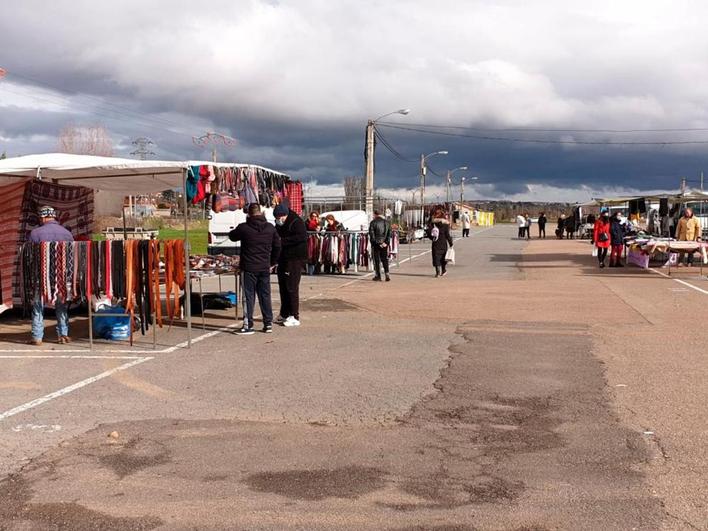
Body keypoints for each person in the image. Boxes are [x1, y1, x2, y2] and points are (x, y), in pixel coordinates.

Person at [229, 203, 281, 335]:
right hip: (264, 266)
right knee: (265, 295)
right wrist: (272, 262)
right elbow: (277, 246)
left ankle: (248, 325)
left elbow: (232, 236)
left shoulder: (244, 227)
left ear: (249, 214)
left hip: (249, 267)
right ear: (261, 212)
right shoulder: (270, 228)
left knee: (248, 296)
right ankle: (268, 323)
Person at [27, 205, 74, 346]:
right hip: (61, 276)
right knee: (61, 306)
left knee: (38, 306)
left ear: (43, 217)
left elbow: (30, 256)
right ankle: (63, 335)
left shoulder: (35, 234)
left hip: (41, 275)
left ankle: (37, 337)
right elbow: (71, 257)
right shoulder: (67, 234)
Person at [274, 202, 307, 327]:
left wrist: (283, 241)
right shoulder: (279, 224)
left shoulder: (296, 222)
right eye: (276, 218)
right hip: (283, 258)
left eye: (279, 218)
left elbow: (302, 237)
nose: (277, 221)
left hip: (295, 258)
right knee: (283, 287)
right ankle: (284, 313)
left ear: (284, 215)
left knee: (291, 287)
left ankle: (294, 315)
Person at [429, 208, 453, 277]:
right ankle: (443, 270)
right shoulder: (445, 225)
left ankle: (437, 272)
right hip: (443, 244)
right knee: (443, 257)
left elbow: (429, 233)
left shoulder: (432, 224)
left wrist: (432, 238)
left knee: (436, 257)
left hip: (435, 243)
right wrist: (451, 243)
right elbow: (447, 235)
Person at [369, 210, 392, 282]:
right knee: (385, 259)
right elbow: (389, 234)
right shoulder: (387, 222)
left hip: (376, 244)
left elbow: (372, 235)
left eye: (373, 215)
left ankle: (378, 275)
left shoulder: (373, 223)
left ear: (375, 214)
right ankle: (387, 273)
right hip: (384, 244)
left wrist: (376, 242)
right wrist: (386, 242)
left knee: (376, 260)